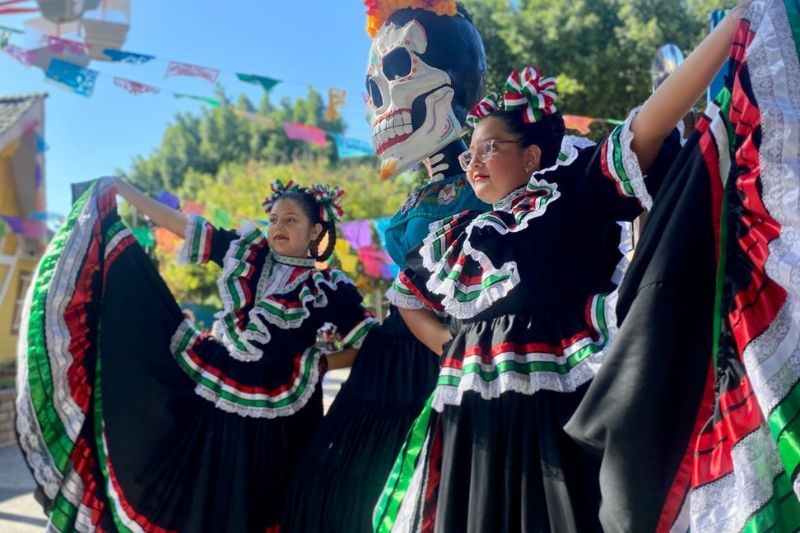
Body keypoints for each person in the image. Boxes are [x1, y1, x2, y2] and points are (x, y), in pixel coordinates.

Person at [376, 3, 755, 530]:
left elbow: (647, 124)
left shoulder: (568, 194)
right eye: (470, 155)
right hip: (471, 431)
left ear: (531, 158)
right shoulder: (460, 235)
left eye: (489, 148)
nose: (474, 162)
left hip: (557, 421)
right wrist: (451, 345)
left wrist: (739, 23)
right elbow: (407, 296)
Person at [15, 177, 376, 532]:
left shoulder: (331, 288)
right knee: (214, 491)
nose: (278, 226)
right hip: (222, 400)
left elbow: (366, 344)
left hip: (285, 418)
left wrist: (320, 362)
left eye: (291, 220)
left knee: (268, 501)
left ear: (315, 232)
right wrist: (125, 191)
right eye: (274, 219)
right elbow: (186, 227)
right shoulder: (247, 253)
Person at [281, 3, 489, 532]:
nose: (380, 102)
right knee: (346, 486)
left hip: (452, 352)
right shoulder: (423, 192)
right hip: (396, 356)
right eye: (372, 87)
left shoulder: (487, 179)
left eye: (398, 72)